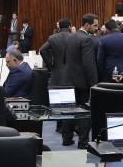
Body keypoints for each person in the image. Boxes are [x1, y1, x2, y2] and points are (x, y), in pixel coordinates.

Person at [59, 13, 99, 147]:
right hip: (82, 82)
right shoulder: (87, 39)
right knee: (85, 113)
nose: (96, 28)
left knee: (69, 111)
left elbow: (64, 59)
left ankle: (66, 139)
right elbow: (89, 63)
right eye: (95, 25)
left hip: (68, 80)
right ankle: (83, 141)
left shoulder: (70, 38)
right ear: (86, 25)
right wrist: (93, 82)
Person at [39, 18, 73, 84]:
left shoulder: (53, 38)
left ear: (59, 27)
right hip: (71, 74)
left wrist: (50, 64)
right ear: (69, 27)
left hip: (56, 73)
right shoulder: (74, 37)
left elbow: (43, 50)